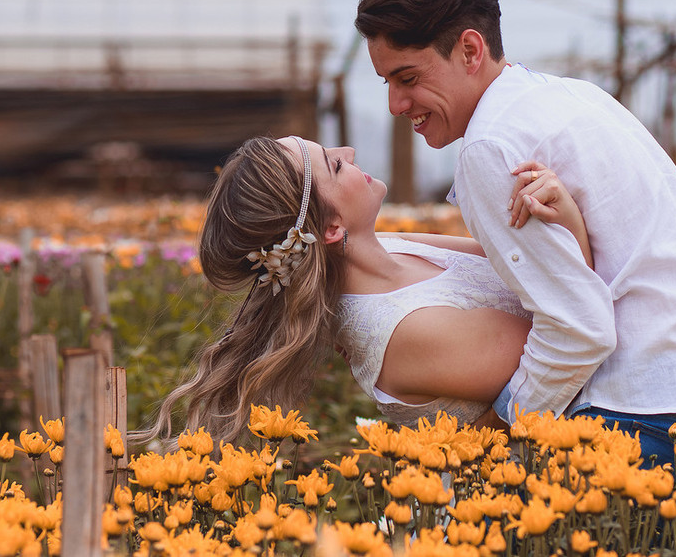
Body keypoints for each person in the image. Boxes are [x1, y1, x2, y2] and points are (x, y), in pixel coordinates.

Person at [355, 0, 676, 466]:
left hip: (636, 419)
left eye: (407, 78)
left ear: (470, 49)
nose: (395, 103)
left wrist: (498, 431)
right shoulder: (571, 98)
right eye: (386, 82)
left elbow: (580, 329)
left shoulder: (490, 146)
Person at [147, 134, 592, 446]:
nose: (349, 151)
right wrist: (569, 219)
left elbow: (530, 268)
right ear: (332, 228)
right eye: (335, 164)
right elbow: (575, 335)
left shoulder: (394, 248)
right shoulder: (403, 331)